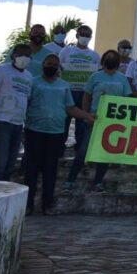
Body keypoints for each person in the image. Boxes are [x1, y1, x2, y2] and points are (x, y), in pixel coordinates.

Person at [24, 54, 94, 214]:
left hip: (56, 133)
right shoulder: (33, 82)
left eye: (55, 65)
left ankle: (47, 205)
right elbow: (25, 103)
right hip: (34, 131)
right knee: (31, 170)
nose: (52, 67)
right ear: (43, 64)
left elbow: (70, 108)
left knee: (51, 170)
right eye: (49, 63)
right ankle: (28, 205)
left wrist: (87, 116)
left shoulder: (64, 85)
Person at [64, 49, 132, 193]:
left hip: (113, 123)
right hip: (94, 120)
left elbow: (127, 99)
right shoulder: (95, 76)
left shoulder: (122, 79)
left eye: (113, 58)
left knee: (104, 153)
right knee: (83, 152)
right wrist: (86, 115)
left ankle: (98, 183)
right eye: (108, 58)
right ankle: (70, 181)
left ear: (118, 62)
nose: (110, 60)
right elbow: (87, 97)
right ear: (103, 61)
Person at [0, 43, 34, 181]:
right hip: (2, 122)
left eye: (27, 55)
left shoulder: (29, 76)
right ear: (13, 55)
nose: (24, 58)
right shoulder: (1, 70)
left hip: (18, 124)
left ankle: (5, 189)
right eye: (21, 54)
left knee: (10, 164)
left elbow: (27, 99)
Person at [59, 25, 100, 153]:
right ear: (77, 35)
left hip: (84, 94)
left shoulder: (94, 55)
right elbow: (59, 69)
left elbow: (96, 75)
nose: (85, 37)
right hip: (68, 92)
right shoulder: (66, 51)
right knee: (64, 122)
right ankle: (59, 150)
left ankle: (80, 152)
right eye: (83, 34)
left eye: (88, 35)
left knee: (82, 123)